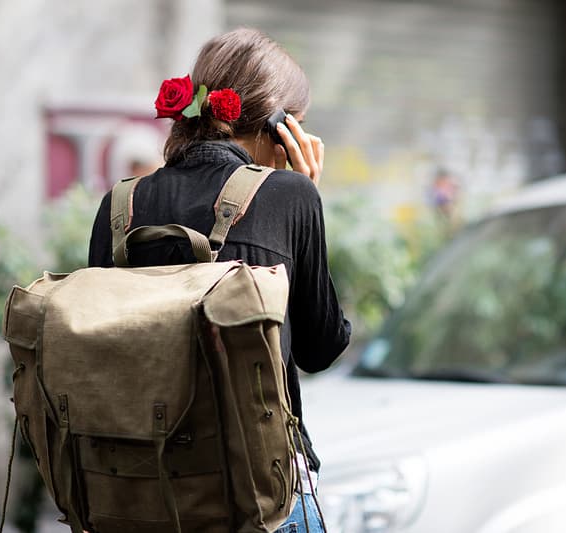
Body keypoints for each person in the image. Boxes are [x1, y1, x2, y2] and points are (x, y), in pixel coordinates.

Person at [88, 27, 351, 532]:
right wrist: (304, 196)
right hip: (259, 496)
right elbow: (321, 348)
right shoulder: (291, 197)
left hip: (143, 490)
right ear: (281, 126)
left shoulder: (118, 206)